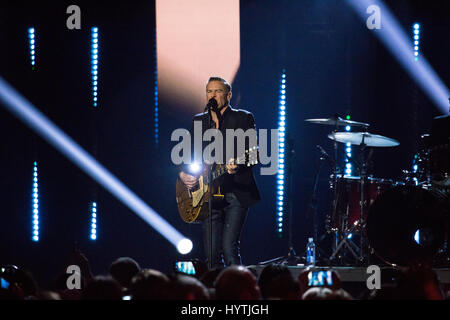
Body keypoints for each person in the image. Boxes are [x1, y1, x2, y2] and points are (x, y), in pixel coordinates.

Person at [178, 77, 260, 268]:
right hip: (207, 195)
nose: (212, 95)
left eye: (218, 91)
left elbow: (254, 153)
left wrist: (237, 165)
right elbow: (185, 153)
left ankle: (239, 292)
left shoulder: (243, 118)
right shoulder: (199, 121)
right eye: (209, 91)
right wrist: (183, 173)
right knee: (211, 255)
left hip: (236, 193)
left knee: (230, 248)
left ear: (229, 95)